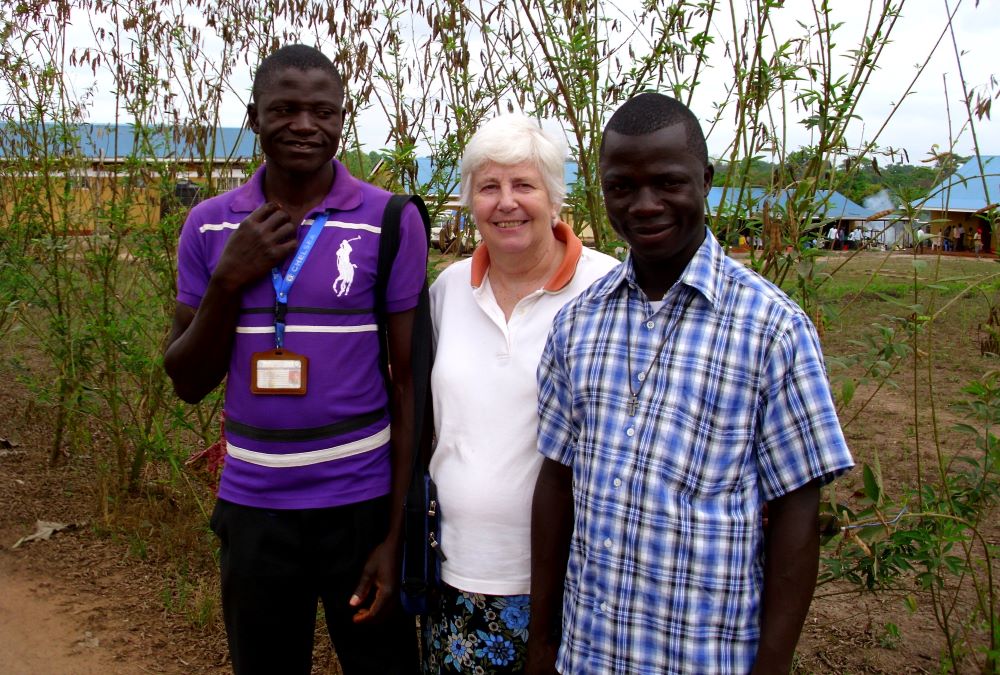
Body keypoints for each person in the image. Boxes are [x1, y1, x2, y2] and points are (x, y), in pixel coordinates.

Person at [527, 92, 855, 674]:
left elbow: (797, 513)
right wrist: (543, 641)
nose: (645, 205)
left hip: (704, 655)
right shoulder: (576, 323)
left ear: (705, 179)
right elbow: (557, 483)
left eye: (669, 182)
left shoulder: (772, 329)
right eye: (621, 187)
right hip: (587, 653)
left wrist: (772, 665)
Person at [163, 45, 424, 675]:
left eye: (320, 111)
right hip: (254, 508)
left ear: (342, 118)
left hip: (360, 508)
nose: (303, 124)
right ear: (254, 117)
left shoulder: (391, 220)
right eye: (284, 109)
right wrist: (229, 279)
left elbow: (411, 384)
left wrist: (395, 536)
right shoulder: (208, 227)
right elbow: (188, 381)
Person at [424, 113, 619, 673]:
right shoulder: (448, 291)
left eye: (524, 185)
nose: (506, 202)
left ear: (555, 198)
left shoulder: (608, 291)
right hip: (454, 571)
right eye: (489, 187)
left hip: (575, 581)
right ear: (470, 202)